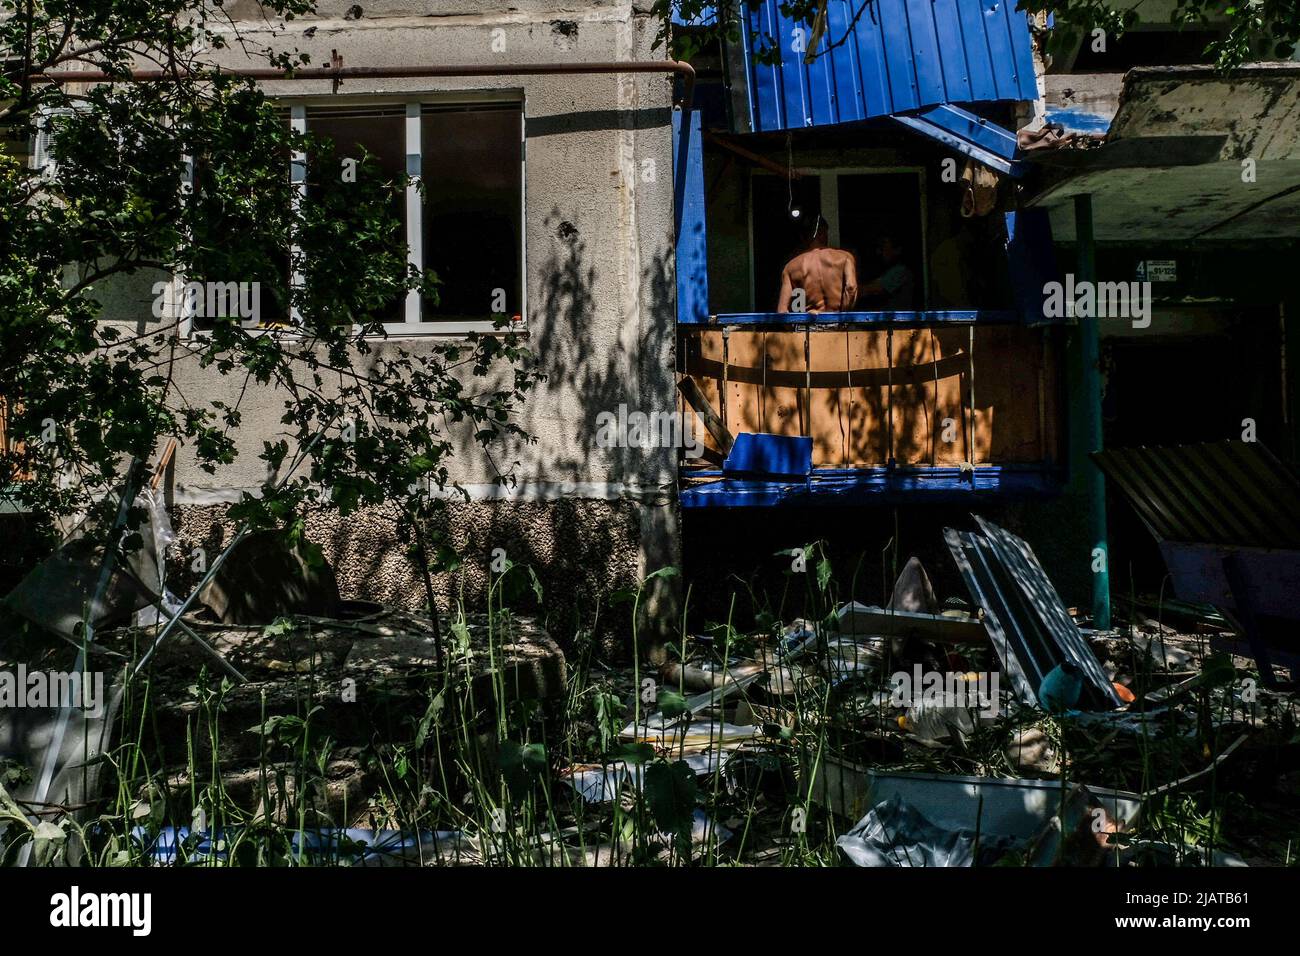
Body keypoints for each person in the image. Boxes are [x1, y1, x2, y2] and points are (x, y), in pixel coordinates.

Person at [776, 215, 858, 314]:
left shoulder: (791, 267)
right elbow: (851, 288)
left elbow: (782, 311)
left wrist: (797, 327)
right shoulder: (845, 258)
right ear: (824, 234)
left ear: (804, 237)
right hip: (838, 325)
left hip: (810, 326)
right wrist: (842, 320)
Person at [858, 235, 915, 310]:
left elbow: (872, 289)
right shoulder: (888, 270)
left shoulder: (900, 271)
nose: (879, 252)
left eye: (883, 248)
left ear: (897, 250)